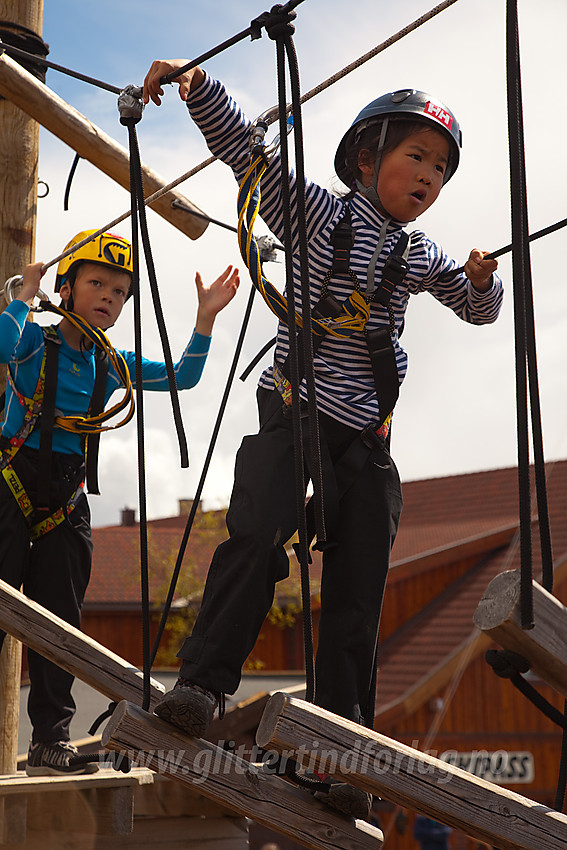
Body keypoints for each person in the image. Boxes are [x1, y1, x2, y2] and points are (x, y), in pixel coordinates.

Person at [142, 61, 503, 819]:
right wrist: (198, 84)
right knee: (256, 539)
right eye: (415, 158)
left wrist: (479, 282)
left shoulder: (421, 254)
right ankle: (203, 686)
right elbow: (246, 152)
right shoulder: (312, 214)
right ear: (365, 159)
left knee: (358, 585)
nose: (428, 177)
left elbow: (475, 313)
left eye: (439, 169)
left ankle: (338, 750)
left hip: (364, 437)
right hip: (294, 410)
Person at [0, 229, 239, 775]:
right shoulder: (35, 341)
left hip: (65, 496)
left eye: (118, 291)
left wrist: (203, 321)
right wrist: (20, 295)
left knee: (59, 623)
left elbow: (185, 376)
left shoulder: (111, 363)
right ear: (66, 289)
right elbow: (1, 348)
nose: (108, 295)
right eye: (96, 283)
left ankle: (48, 739)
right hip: (10, 484)